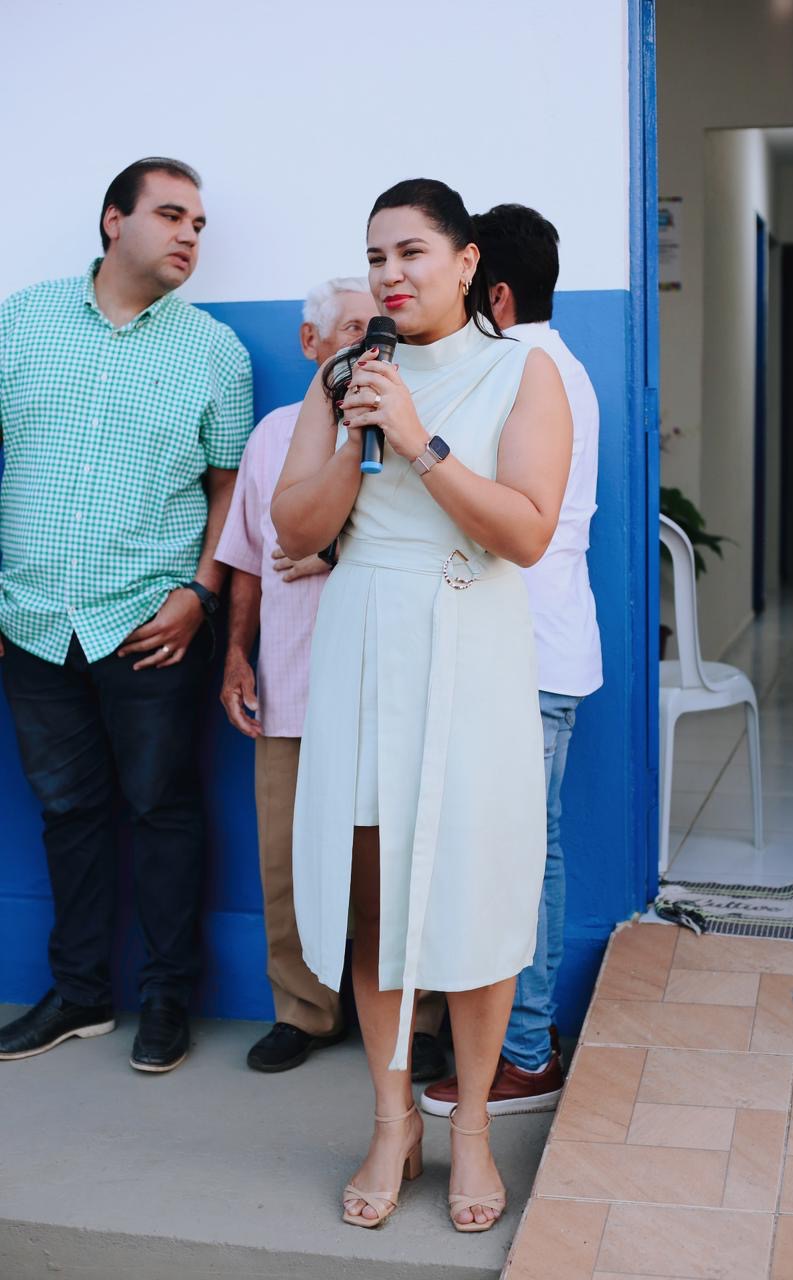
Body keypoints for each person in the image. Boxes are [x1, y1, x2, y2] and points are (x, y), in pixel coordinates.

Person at [272, 179, 572, 1232]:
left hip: (471, 640)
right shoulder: (344, 375)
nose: (390, 274)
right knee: (375, 899)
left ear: (465, 261)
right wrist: (354, 436)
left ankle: (472, 1128)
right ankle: (391, 1119)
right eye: (375, 256)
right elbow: (294, 530)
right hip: (365, 642)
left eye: (411, 252)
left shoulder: (522, 371)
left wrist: (415, 440)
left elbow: (525, 532)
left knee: (476, 894)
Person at [0, 157, 253, 1074]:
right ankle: (78, 996)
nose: (190, 236)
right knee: (66, 813)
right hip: (31, 621)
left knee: (162, 811)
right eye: (172, 215)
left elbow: (230, 491)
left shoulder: (215, 351)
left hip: (151, 625)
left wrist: (200, 596)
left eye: (200, 225)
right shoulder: (21, 321)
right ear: (115, 220)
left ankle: (167, 998)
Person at [216, 277, 448, 1080]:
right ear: (311, 345)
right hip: (290, 681)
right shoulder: (273, 435)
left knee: (401, 863)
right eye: (349, 330)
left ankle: (419, 1019)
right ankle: (302, 1011)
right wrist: (236, 654)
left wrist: (330, 551)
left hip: (387, 682)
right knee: (287, 862)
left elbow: (433, 539)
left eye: (375, 331)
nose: (365, 345)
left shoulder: (411, 425)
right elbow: (250, 558)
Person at [422, 204, 603, 1117]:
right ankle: (523, 1043)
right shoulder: (558, 367)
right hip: (542, 647)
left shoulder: (524, 371)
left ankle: (523, 1053)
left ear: (490, 291)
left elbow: (496, 518)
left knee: (515, 860)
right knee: (531, 852)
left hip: (522, 651)